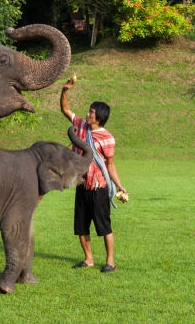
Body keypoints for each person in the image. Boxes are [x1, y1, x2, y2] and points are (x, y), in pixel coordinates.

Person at [60, 76, 127, 273]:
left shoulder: (107, 138)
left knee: (104, 226)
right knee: (81, 226)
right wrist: (64, 90)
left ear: (100, 118)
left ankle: (110, 261)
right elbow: (65, 110)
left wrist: (120, 186)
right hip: (81, 184)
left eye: (91, 112)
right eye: (89, 111)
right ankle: (88, 259)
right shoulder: (80, 126)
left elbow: (110, 165)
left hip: (98, 187)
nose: (87, 114)